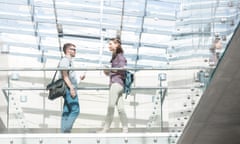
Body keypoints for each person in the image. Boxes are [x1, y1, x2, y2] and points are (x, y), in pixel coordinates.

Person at [99, 38, 128, 133]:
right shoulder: (115, 57)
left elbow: (122, 70)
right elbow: (114, 72)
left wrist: (110, 70)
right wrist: (107, 71)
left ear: (117, 45)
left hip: (116, 84)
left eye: (111, 44)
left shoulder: (120, 56)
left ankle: (105, 128)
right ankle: (125, 129)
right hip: (118, 84)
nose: (109, 46)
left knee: (110, 107)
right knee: (120, 108)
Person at [59, 43, 85, 133]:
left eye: (75, 49)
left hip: (68, 88)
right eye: (73, 49)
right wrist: (71, 88)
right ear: (67, 50)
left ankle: (63, 132)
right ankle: (66, 130)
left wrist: (79, 79)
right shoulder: (65, 60)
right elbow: (64, 75)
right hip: (68, 89)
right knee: (75, 110)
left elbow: (69, 76)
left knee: (67, 111)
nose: (75, 51)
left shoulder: (69, 61)